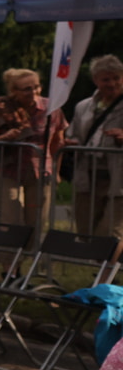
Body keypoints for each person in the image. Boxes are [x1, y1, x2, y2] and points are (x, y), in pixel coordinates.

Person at [0, 67, 62, 258]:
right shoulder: (1, 109)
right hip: (7, 170)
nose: (33, 92)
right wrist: (5, 137)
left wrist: (56, 170)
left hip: (40, 171)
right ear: (13, 91)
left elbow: (58, 140)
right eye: (26, 89)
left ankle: (24, 260)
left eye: (36, 87)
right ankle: (9, 268)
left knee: (35, 223)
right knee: (9, 222)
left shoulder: (52, 108)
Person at [65, 55, 123, 240]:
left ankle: (107, 260)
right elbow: (73, 134)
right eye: (106, 79)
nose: (112, 83)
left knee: (110, 234)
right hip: (88, 176)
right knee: (86, 232)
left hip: (119, 179)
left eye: (116, 78)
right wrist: (71, 143)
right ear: (96, 80)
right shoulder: (83, 106)